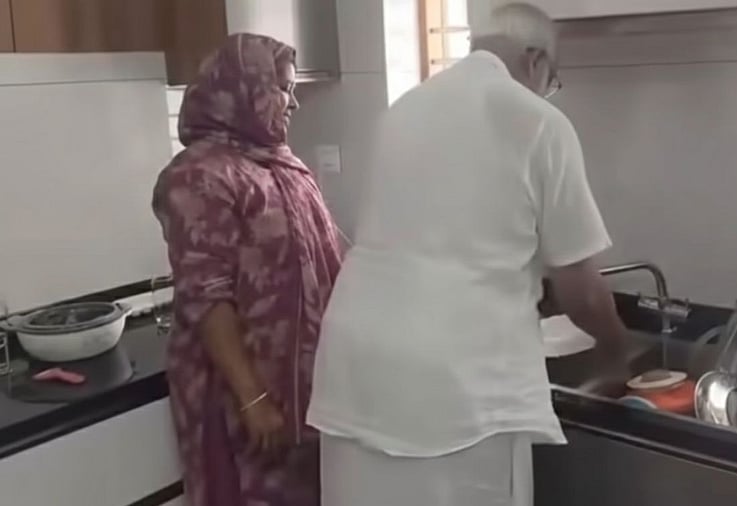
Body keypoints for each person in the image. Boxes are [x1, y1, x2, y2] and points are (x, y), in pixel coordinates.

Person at [307, 3, 631, 506]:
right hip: (456, 392)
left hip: (355, 373)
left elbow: (429, 240)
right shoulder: (540, 122)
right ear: (535, 60)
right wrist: (616, 349)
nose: (550, 90)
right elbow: (581, 289)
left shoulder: (402, 111)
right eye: (554, 79)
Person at [152, 33, 342, 506]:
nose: (294, 101)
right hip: (244, 398)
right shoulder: (198, 176)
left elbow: (330, 247)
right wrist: (253, 399)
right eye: (282, 88)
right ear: (243, 90)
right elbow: (207, 296)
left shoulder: (285, 165)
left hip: (307, 392)